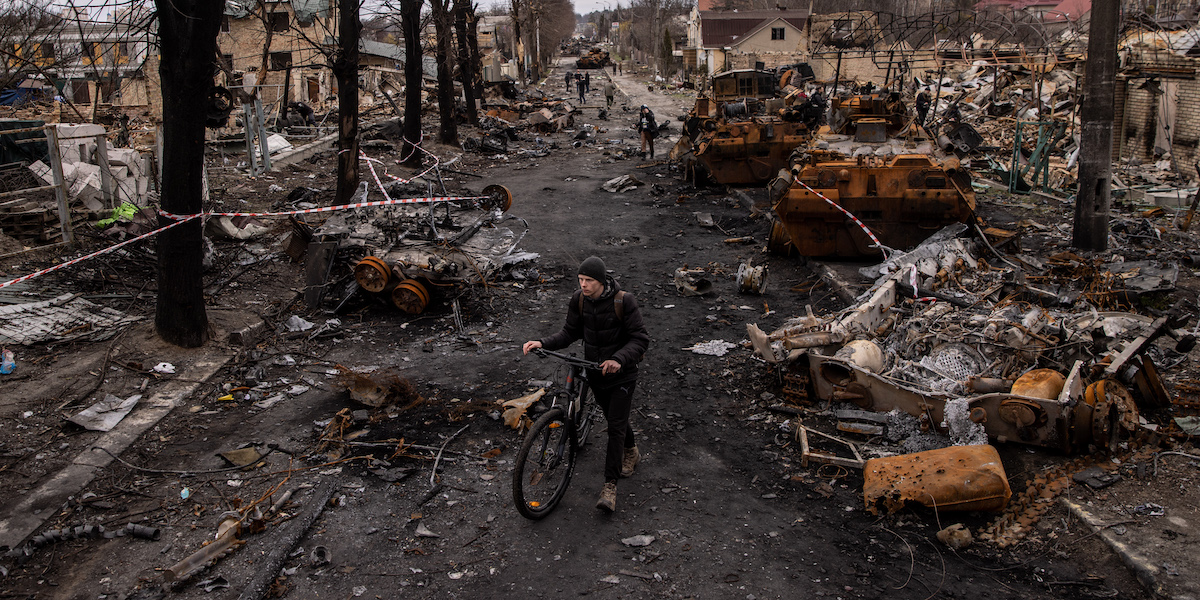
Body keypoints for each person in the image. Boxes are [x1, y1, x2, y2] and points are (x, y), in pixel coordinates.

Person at [523, 257, 650, 513]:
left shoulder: (624, 301)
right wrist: (543, 342)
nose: (583, 285)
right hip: (595, 372)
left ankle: (609, 486)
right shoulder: (579, 300)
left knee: (614, 426)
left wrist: (618, 359)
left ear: (601, 281)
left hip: (622, 374)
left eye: (589, 281)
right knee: (615, 417)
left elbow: (640, 339)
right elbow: (569, 332)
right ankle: (631, 450)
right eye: (580, 280)